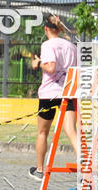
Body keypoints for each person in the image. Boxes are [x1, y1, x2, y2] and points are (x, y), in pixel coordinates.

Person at [29, 14, 79, 180]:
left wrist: (38, 63)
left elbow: (50, 67)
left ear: (46, 29)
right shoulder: (71, 46)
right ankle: (85, 166)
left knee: (43, 132)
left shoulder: (48, 45)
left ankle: (40, 169)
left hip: (50, 94)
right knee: (71, 131)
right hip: (68, 92)